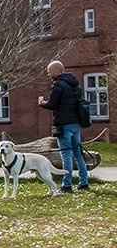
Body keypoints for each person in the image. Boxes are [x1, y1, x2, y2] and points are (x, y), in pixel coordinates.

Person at [38, 60, 89, 193]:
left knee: (65, 154)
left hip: (64, 124)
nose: (48, 74)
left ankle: (67, 184)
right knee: (78, 153)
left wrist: (41, 102)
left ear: (55, 72)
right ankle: (84, 182)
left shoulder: (58, 85)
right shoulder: (75, 84)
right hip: (76, 123)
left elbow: (52, 104)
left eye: (49, 72)